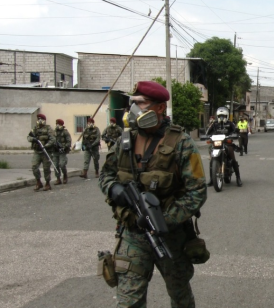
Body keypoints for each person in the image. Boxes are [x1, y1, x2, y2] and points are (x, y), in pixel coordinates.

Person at [98, 80, 207, 307]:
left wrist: (162, 220)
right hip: (133, 235)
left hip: (170, 235)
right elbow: (106, 175)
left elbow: (197, 191)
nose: (134, 109)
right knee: (129, 301)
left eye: (141, 103)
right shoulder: (125, 140)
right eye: (133, 103)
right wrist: (114, 188)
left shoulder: (182, 143)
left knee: (180, 296)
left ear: (159, 108)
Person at [206, 107, 242, 187]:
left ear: (227, 116)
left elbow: (235, 130)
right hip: (216, 143)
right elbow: (207, 132)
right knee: (212, 159)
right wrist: (207, 136)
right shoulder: (214, 124)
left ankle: (238, 178)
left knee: (232, 158)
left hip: (227, 143)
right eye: (220, 116)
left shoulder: (230, 123)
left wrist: (234, 135)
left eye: (223, 116)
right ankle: (212, 179)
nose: (221, 118)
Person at [27, 113, 55, 191]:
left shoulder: (49, 128)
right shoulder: (35, 129)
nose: (39, 121)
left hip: (46, 152)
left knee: (46, 168)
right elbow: (28, 137)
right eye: (38, 119)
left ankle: (47, 183)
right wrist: (34, 139)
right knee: (34, 166)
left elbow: (52, 139)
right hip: (37, 151)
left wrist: (46, 145)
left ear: (44, 120)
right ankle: (38, 182)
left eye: (41, 119)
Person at [52, 119, 72, 185]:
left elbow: (69, 141)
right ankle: (58, 178)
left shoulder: (65, 132)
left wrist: (64, 147)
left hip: (62, 151)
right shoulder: (54, 132)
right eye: (56, 124)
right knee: (55, 165)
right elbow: (51, 139)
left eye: (58, 124)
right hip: (55, 151)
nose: (57, 125)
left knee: (62, 164)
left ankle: (65, 175)